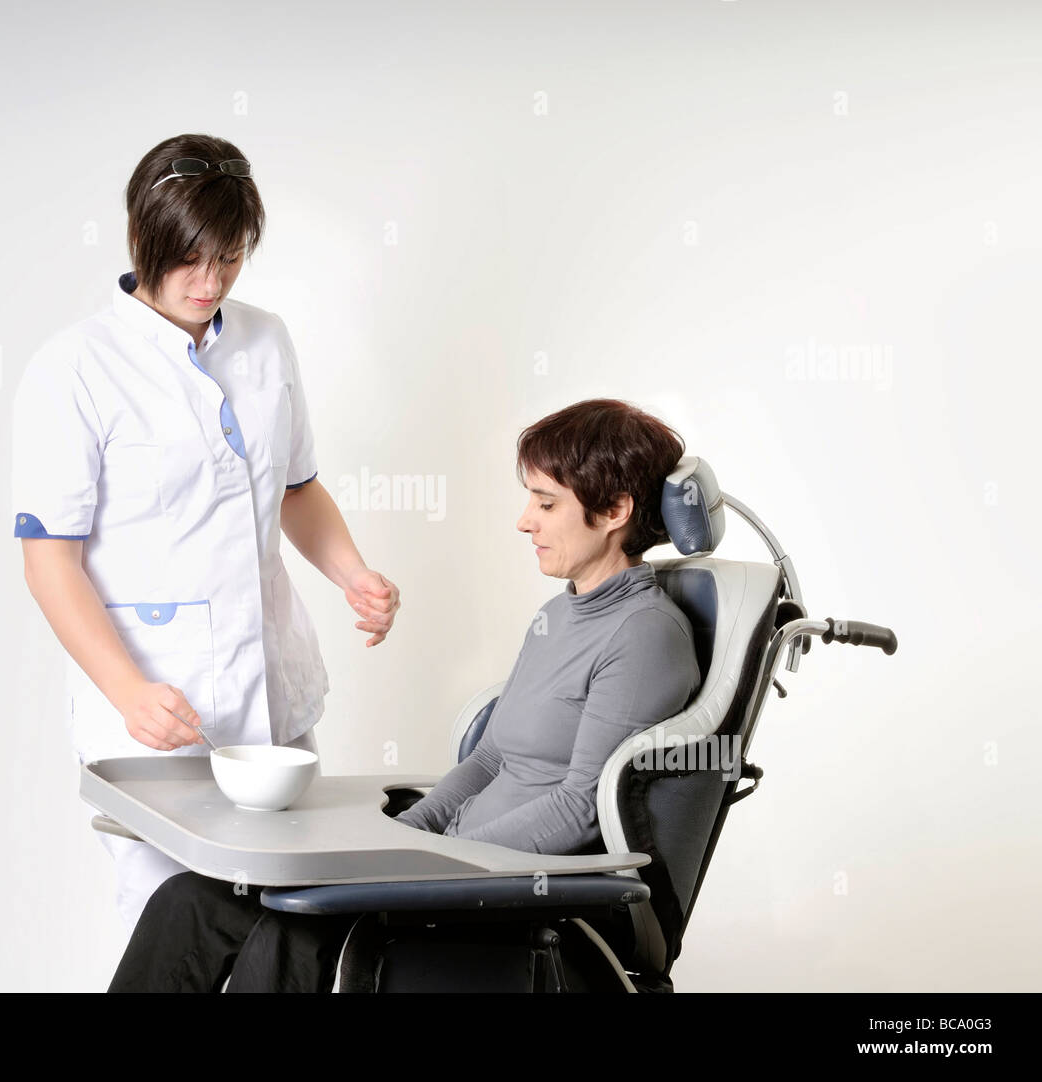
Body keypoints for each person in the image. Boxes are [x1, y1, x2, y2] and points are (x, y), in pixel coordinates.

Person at [107, 398, 703, 992]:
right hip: (449, 865)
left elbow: (581, 805)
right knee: (193, 898)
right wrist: (404, 839)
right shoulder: (558, 615)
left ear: (617, 509)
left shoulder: (644, 634)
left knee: (292, 929)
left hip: (513, 889)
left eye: (547, 503)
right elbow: (489, 761)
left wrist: (434, 864)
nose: (525, 521)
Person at [11, 133, 401, 938]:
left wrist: (352, 573)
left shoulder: (266, 339)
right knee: (173, 928)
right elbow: (50, 560)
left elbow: (297, 488)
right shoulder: (75, 368)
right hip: (157, 703)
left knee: (291, 923)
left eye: (228, 258)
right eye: (190, 258)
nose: (210, 280)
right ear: (142, 238)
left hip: (272, 686)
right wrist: (128, 692)